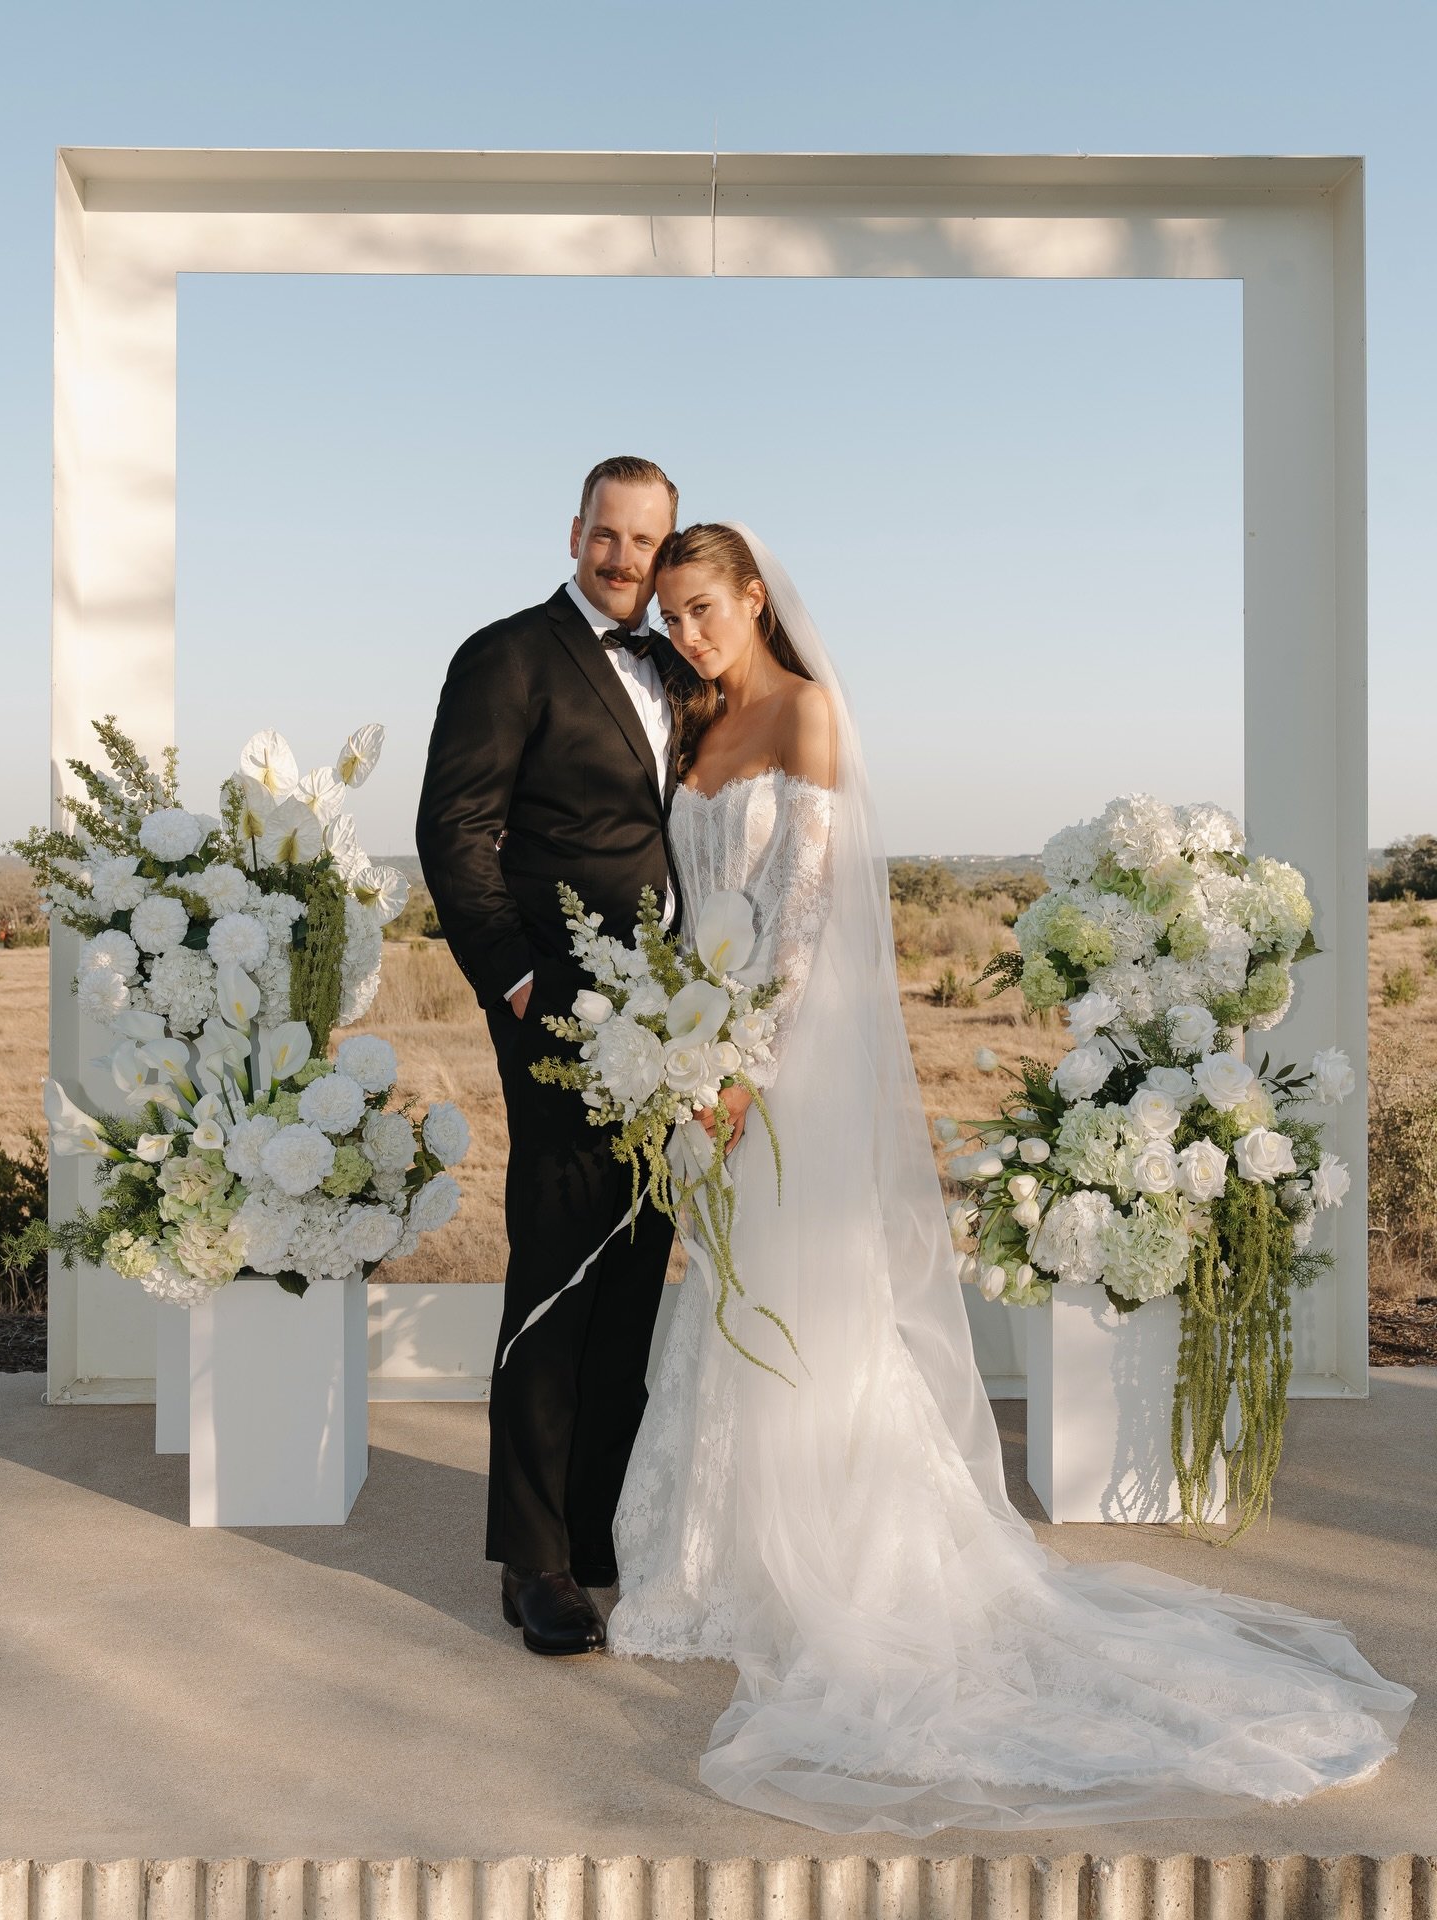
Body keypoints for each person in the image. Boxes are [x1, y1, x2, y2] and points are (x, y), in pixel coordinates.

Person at [604, 520, 1415, 1835]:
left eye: (707, 609)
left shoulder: (806, 714)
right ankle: (715, 1563)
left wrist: (745, 1061)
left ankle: (842, 1559)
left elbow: (801, 916)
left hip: (780, 1058)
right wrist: (678, 1047)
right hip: (708, 1047)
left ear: (755, 599)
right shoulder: (697, 731)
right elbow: (694, 906)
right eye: (674, 615)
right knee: (729, 1300)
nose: (691, 633)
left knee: (808, 1303)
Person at [415, 457, 697, 1657]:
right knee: (557, 1263)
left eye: (645, 540)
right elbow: (455, 829)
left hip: (674, 1023)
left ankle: (596, 1530)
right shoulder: (508, 653)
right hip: (560, 1011)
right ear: (575, 529)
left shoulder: (681, 665)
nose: (624, 557)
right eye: (609, 533)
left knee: (637, 1262)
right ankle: (531, 1560)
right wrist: (519, 982)